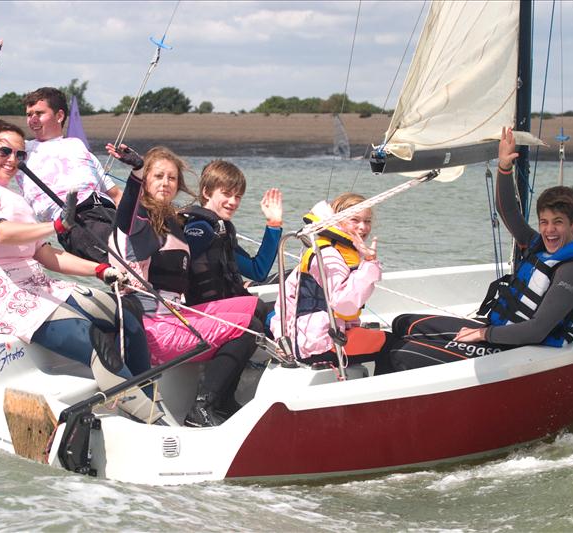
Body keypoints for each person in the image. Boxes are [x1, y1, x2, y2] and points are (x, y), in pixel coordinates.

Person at [0, 118, 164, 424]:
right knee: (95, 343)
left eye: (20, 155)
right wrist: (57, 225)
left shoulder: (17, 198)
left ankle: (149, 400)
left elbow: (45, 254)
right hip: (2, 295)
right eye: (5, 151)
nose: (13, 160)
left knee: (127, 315)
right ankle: (155, 422)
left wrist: (101, 270)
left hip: (39, 283)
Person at [387, 126, 573, 370]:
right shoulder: (536, 245)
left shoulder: (572, 271)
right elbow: (508, 211)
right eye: (544, 222)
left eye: (558, 223)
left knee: (402, 351)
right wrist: (505, 167)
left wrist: (484, 335)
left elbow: (537, 330)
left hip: (520, 349)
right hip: (498, 334)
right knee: (404, 323)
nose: (549, 230)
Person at [106, 143, 264, 427]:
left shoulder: (173, 221)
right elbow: (128, 211)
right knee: (248, 327)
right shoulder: (137, 221)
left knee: (255, 308)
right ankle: (201, 408)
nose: (166, 182)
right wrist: (136, 173)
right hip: (151, 329)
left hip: (175, 315)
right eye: (158, 176)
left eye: (172, 177)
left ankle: (225, 399)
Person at [0, 27, 121, 264]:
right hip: (75, 221)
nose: (31, 119)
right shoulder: (23, 150)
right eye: (29, 114)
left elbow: (116, 194)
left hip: (108, 213)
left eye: (39, 113)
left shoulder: (77, 146)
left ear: (59, 116)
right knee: (125, 262)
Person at [270, 193, 393, 373]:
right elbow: (344, 305)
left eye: (367, 221)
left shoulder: (326, 248)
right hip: (320, 346)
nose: (363, 227)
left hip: (309, 342)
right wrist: (370, 262)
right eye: (355, 220)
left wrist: (283, 339)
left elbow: (285, 303)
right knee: (393, 345)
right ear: (339, 221)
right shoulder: (329, 256)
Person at [182, 159, 282, 325]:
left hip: (231, 308)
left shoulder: (222, 230)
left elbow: (258, 271)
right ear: (206, 193)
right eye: (227, 194)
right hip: (207, 315)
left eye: (238, 196)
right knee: (262, 310)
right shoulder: (199, 229)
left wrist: (273, 223)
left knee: (285, 311)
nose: (233, 202)